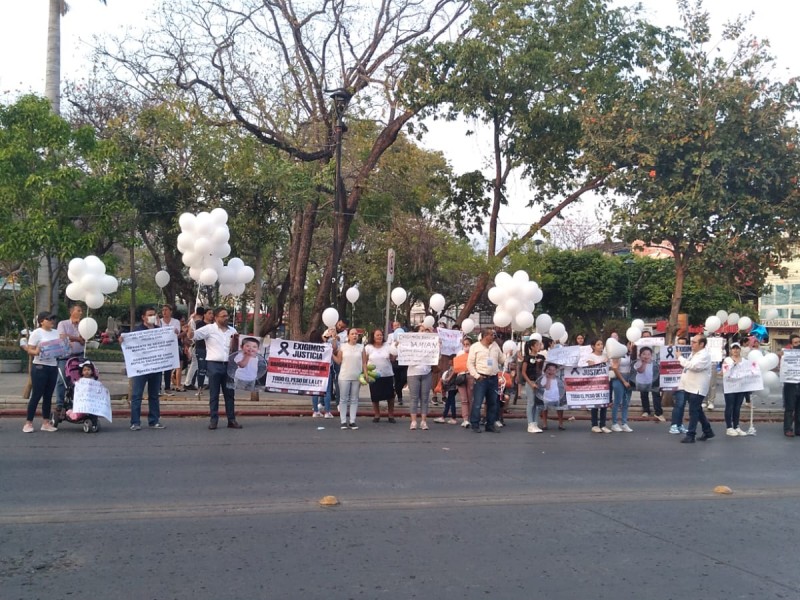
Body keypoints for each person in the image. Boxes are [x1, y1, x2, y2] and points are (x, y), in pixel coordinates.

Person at [191, 306, 242, 430]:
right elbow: (194, 336)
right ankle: (214, 420)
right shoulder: (209, 329)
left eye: (227, 316)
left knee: (229, 394)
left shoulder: (232, 330)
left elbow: (236, 349)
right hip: (214, 364)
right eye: (223, 316)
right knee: (214, 394)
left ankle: (231, 419)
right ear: (216, 317)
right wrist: (190, 326)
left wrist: (236, 341)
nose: (226, 318)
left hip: (229, 365)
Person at [120, 306, 165, 431]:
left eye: (154, 314)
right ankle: (135, 422)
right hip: (140, 369)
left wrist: (173, 335)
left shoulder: (159, 330)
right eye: (149, 314)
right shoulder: (137, 331)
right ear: (143, 317)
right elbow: (129, 346)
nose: (152, 317)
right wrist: (122, 340)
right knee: (136, 395)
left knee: (154, 395)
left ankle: (154, 420)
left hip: (155, 368)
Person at [23, 312, 61, 433]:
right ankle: (28, 423)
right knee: (36, 395)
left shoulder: (56, 333)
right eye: (48, 319)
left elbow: (60, 347)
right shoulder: (37, 333)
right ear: (41, 321)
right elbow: (29, 349)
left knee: (48, 396)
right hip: (40, 366)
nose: (51, 321)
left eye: (53, 319)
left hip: (53, 365)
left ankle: (46, 422)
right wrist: (36, 351)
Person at [467, 328, 504, 433]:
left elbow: (501, 359)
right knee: (478, 403)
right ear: (485, 336)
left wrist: (508, 355)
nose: (494, 337)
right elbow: (470, 363)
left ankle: (490, 424)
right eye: (492, 335)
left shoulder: (495, 346)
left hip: (493, 378)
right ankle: (475, 424)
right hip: (481, 378)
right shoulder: (475, 347)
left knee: (493, 403)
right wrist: (476, 375)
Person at [679, 334, 715, 443]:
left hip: (697, 388)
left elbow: (694, 367)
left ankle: (691, 434)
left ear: (702, 344)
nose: (692, 344)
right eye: (692, 342)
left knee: (693, 411)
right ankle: (708, 431)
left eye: (694, 342)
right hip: (690, 386)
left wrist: (680, 357)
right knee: (698, 410)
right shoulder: (695, 353)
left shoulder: (704, 355)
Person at [55, 304, 85, 417]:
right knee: (62, 380)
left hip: (79, 356)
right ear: (71, 312)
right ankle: (60, 403)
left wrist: (81, 336)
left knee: (79, 381)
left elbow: (85, 338)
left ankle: (76, 403)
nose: (81, 313)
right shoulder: (63, 324)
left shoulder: (83, 325)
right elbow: (62, 336)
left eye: (81, 311)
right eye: (79, 310)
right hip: (65, 357)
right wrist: (78, 339)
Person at [333, 327, 366, 430]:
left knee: (354, 399)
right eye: (352, 334)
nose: (355, 335)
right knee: (343, 399)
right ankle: (343, 421)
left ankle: (352, 421)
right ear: (348, 336)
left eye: (356, 334)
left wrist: (365, 374)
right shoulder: (343, 347)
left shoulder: (361, 347)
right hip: (344, 376)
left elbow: (364, 362)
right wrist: (331, 354)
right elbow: (338, 361)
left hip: (357, 376)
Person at [363, 328, 398, 423]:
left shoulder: (387, 346)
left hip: (387, 375)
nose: (380, 337)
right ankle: (377, 414)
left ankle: (390, 415)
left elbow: (393, 359)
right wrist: (365, 374)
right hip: (374, 375)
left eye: (381, 335)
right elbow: (364, 362)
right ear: (373, 337)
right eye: (377, 335)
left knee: (390, 397)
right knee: (375, 396)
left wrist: (395, 349)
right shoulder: (368, 347)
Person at [407, 324, 435, 430]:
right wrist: (398, 343)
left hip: (426, 372)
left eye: (425, 331)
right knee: (414, 398)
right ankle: (413, 421)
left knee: (425, 398)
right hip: (413, 373)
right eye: (421, 330)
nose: (423, 332)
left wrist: (434, 337)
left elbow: (438, 356)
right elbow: (397, 351)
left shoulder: (430, 343)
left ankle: (423, 421)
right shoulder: (410, 343)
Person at [721, 342, 748, 436]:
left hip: (740, 387)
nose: (735, 350)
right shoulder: (727, 360)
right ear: (731, 350)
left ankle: (736, 426)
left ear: (740, 349)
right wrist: (733, 365)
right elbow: (723, 372)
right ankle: (729, 427)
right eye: (733, 348)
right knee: (730, 406)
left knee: (737, 407)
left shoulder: (744, 360)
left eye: (737, 348)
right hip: (730, 387)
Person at [585, 339, 611, 433]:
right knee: (595, 404)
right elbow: (591, 368)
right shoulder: (590, 356)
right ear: (593, 346)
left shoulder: (606, 356)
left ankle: (603, 424)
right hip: (595, 383)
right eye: (598, 344)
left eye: (601, 344)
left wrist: (607, 360)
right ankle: (594, 424)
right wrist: (602, 363)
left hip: (605, 383)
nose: (601, 346)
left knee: (604, 404)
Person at [609, 341, 634, 432]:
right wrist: (623, 381)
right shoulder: (618, 354)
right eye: (629, 344)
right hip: (619, 378)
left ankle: (624, 423)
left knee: (626, 402)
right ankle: (614, 423)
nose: (631, 346)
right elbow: (615, 368)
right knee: (617, 401)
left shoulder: (632, 355)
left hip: (629, 377)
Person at [522, 338, 545, 433]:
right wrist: (530, 383)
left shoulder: (542, 357)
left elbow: (545, 369)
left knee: (539, 403)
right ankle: (530, 423)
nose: (539, 346)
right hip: (530, 381)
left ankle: (535, 423)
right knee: (531, 402)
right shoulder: (527, 358)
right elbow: (523, 372)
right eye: (537, 345)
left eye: (540, 345)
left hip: (540, 381)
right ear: (532, 347)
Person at [634, 346, 663, 420]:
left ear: (651, 355)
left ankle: (658, 412)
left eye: (648, 354)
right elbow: (640, 371)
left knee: (656, 396)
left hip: (653, 381)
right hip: (643, 382)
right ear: (640, 355)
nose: (646, 356)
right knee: (644, 396)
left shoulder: (655, 364)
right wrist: (644, 363)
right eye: (644, 354)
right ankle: (646, 410)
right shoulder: (638, 363)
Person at [535, 363, 566, 429]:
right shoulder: (544, 378)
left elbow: (562, 387)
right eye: (549, 370)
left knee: (560, 409)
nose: (551, 372)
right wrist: (548, 378)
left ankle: (560, 424)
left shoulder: (558, 379)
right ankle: (544, 424)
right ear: (546, 370)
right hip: (547, 397)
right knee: (545, 409)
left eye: (553, 370)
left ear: (556, 371)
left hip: (556, 397)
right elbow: (547, 388)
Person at [160, 304, 181, 396]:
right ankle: (158, 387)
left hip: (171, 347)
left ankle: (167, 387)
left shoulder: (176, 322)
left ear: (170, 311)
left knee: (168, 368)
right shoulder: (159, 322)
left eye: (166, 310)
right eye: (163, 310)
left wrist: (176, 332)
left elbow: (177, 333)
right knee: (159, 369)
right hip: (161, 347)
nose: (164, 312)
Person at [781, 333, 800, 437]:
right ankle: (788, 429)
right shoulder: (786, 355)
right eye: (796, 343)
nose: (798, 344)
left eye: (799, 342)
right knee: (790, 408)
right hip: (790, 385)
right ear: (791, 345)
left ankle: (798, 429)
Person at [453, 336, 473, 427]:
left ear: (471, 345)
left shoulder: (473, 353)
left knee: (470, 398)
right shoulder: (459, 353)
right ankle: (465, 419)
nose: (466, 346)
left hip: (470, 376)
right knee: (464, 399)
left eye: (467, 344)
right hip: (461, 377)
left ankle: (471, 417)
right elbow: (456, 366)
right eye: (464, 344)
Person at [183, 306, 205, 390]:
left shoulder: (191, 320)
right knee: (195, 364)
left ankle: (189, 382)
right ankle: (188, 382)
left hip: (192, 344)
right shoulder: (198, 322)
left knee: (195, 364)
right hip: (195, 344)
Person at [390, 320, 408, 406]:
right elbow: (389, 347)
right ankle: (400, 398)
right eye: (394, 326)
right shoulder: (390, 336)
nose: (396, 327)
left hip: (404, 361)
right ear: (392, 328)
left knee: (404, 378)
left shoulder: (405, 336)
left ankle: (395, 390)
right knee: (397, 380)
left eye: (398, 325)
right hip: (395, 362)